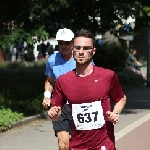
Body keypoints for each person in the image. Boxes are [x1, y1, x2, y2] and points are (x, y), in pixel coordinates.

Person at [48, 29, 127, 150]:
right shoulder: (63, 81)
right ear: (73, 49)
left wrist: (115, 113)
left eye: (86, 48)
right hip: (77, 146)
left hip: (104, 145)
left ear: (93, 51)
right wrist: (53, 114)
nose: (81, 52)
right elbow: (57, 114)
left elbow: (121, 98)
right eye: (78, 48)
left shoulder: (107, 76)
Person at [42, 28, 76, 150]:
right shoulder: (52, 60)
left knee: (78, 143)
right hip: (59, 105)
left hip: (79, 105)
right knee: (63, 145)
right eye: (60, 43)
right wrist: (47, 96)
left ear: (73, 43)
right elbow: (49, 81)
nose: (63, 45)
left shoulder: (82, 58)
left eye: (66, 42)